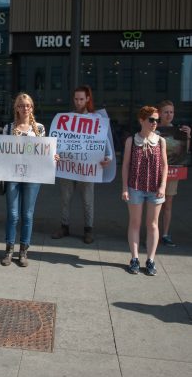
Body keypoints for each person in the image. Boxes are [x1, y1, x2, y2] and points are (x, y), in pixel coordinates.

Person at [51, 85, 112, 244]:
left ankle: (88, 229)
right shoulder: (66, 118)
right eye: (76, 99)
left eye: (81, 99)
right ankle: (64, 226)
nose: (78, 102)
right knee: (65, 197)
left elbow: (105, 143)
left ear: (87, 99)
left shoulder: (95, 119)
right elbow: (57, 140)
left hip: (87, 166)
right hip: (67, 165)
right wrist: (54, 153)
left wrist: (109, 157)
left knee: (87, 199)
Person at [0, 93, 45, 267]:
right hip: (13, 175)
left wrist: (52, 157)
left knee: (27, 214)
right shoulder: (8, 127)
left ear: (32, 108)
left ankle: (24, 250)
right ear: (16, 108)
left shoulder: (39, 129)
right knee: (12, 214)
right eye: (21, 105)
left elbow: (44, 152)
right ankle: (9, 249)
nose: (24, 108)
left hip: (33, 176)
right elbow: (2, 153)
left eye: (27, 105)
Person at [122, 106, 167, 275]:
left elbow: (164, 165)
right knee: (135, 222)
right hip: (135, 187)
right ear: (142, 120)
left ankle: (150, 259)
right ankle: (134, 258)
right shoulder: (131, 141)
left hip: (155, 188)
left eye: (157, 120)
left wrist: (163, 185)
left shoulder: (160, 141)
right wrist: (125, 187)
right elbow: (125, 165)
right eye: (151, 120)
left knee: (153, 224)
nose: (155, 123)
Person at [156, 100, 191, 247]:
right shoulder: (153, 128)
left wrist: (188, 136)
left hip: (172, 170)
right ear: (159, 113)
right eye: (166, 112)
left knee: (168, 203)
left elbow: (185, 152)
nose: (169, 114)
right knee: (154, 204)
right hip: (156, 171)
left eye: (171, 112)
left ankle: (165, 234)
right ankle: (154, 234)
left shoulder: (179, 131)